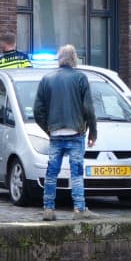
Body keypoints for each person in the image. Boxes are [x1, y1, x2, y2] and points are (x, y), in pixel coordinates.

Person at [33, 43, 97, 220]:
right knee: (76, 172)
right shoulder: (80, 78)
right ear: (74, 58)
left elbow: (37, 110)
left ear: (59, 60)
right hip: (76, 133)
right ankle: (79, 209)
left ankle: (48, 208)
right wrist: (93, 132)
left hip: (55, 133)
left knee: (51, 172)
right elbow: (89, 108)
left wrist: (49, 128)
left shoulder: (47, 79)